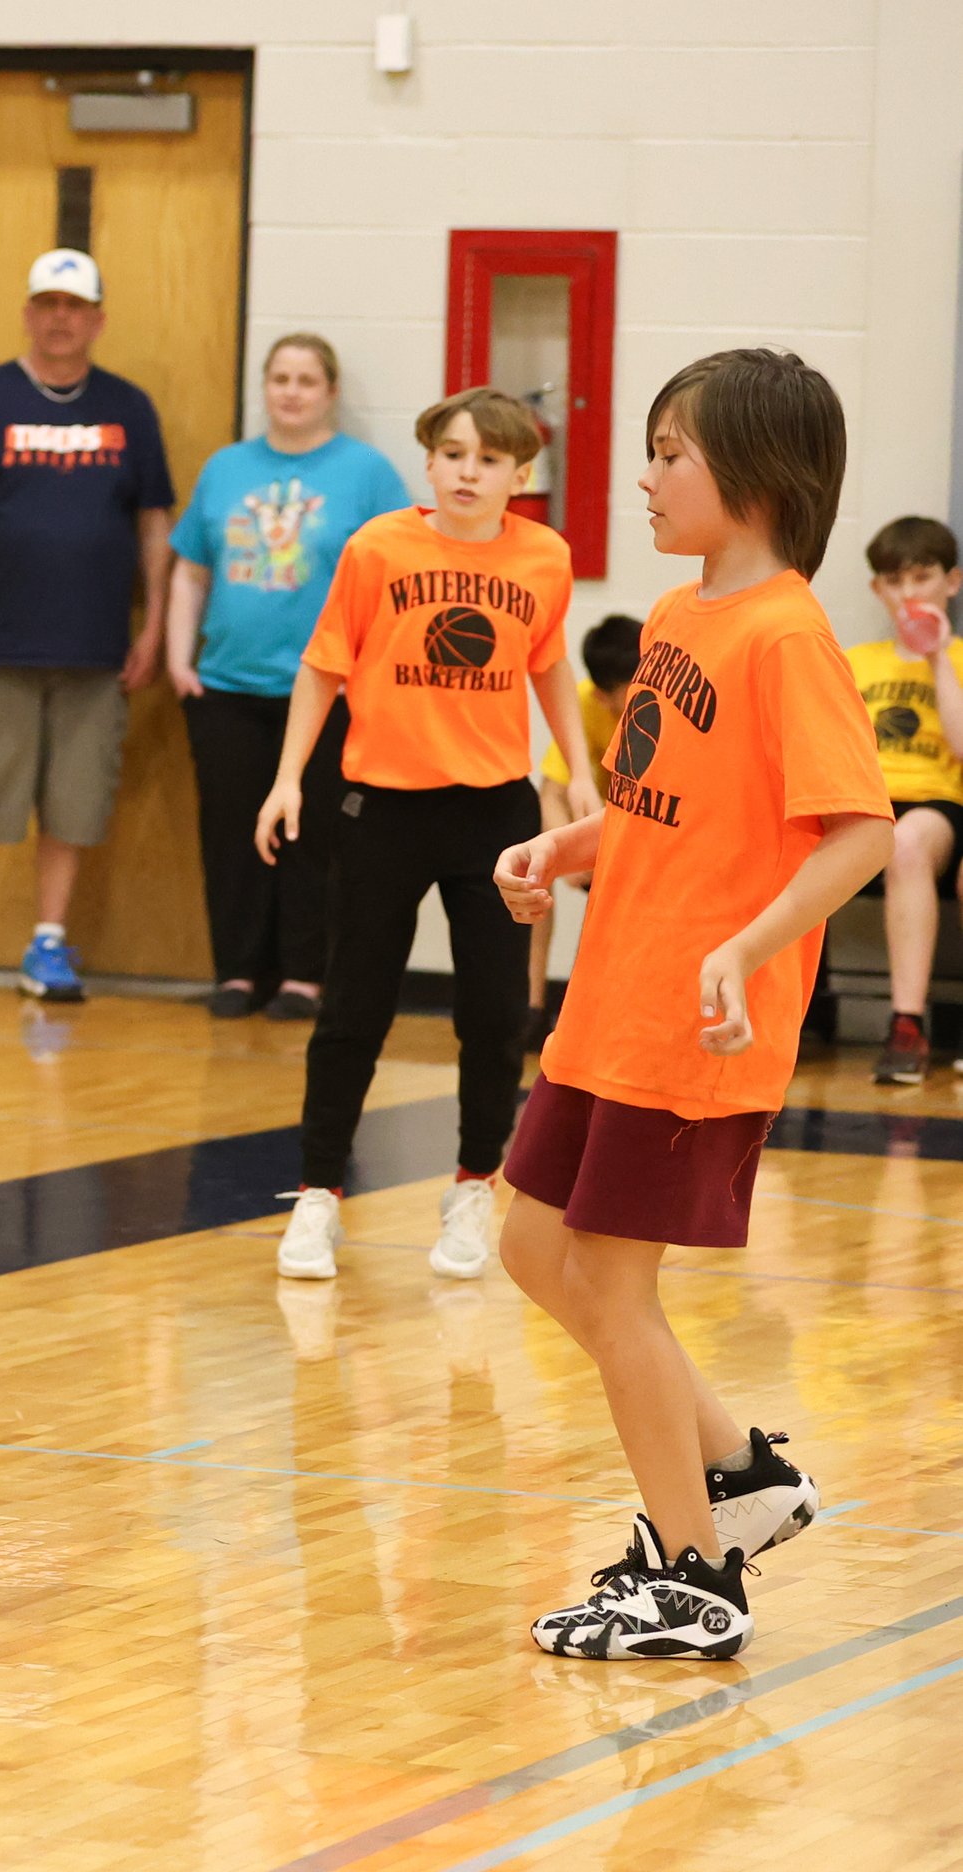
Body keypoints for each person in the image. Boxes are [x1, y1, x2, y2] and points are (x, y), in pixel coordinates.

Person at [494, 348, 889, 1660]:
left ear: (760, 481)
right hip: (612, 999)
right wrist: (571, 847)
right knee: (532, 1246)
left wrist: (745, 949)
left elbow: (858, 836)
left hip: (694, 1023)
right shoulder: (672, 623)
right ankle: (742, 1478)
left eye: (673, 453)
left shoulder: (786, 634)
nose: (648, 476)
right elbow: (665, 806)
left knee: (612, 1284)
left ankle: (693, 1578)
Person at [262, 387, 595, 1284]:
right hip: (384, 807)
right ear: (429, 461)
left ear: (520, 475)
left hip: (493, 813)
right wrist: (290, 777)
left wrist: (586, 774)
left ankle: (472, 1185)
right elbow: (323, 668)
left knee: (494, 1013)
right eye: (451, 453)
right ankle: (319, 1195)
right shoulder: (379, 548)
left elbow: (550, 665)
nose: (466, 471)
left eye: (487, 459)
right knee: (354, 1009)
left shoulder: (544, 558)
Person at [0, 249, 176, 1002]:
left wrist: (154, 626)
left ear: (96, 320)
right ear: (29, 313)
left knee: (75, 800)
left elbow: (155, 524)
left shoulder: (128, 407)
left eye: (75, 306)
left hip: (97, 652)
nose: (61, 319)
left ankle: (48, 944)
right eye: (47, 304)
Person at [165, 332, 411, 1020]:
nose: (292, 391)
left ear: (330, 392)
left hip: (330, 693)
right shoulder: (225, 468)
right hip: (227, 688)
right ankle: (239, 971)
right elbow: (189, 570)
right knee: (231, 836)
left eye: (307, 379)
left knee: (316, 840)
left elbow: (400, 576)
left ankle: (306, 975)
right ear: (265, 388)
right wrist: (178, 660)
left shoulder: (366, 472)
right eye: (280, 378)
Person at [844, 516, 963, 1085]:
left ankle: (907, 1026)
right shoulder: (856, 661)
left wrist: (937, 655)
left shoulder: (960, 660)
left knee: (909, 840)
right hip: (864, 803)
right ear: (877, 589)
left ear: (952, 582)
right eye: (895, 580)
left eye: (923, 576)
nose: (910, 592)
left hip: (938, 806)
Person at [528, 614, 642, 1031]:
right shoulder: (583, 704)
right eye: (632, 692)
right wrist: (565, 856)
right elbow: (551, 792)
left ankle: (591, 1013)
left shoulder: (671, 709)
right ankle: (533, 1010)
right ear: (600, 695)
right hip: (607, 831)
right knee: (532, 878)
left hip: (650, 840)